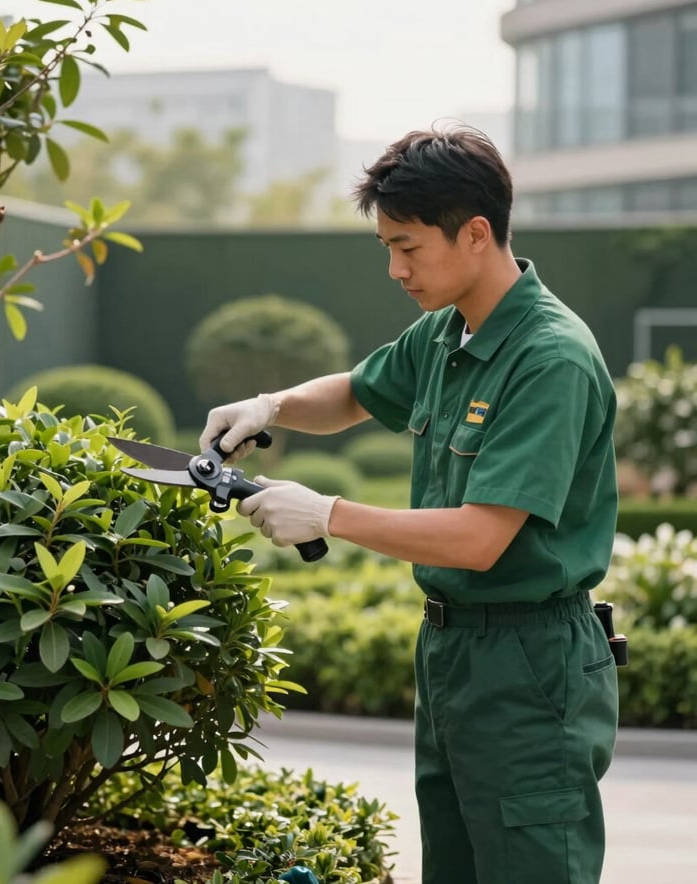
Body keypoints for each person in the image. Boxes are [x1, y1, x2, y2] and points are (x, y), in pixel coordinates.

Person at [198, 123, 619, 884]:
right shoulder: (446, 335)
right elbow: (355, 395)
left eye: (407, 246)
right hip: (454, 655)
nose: (395, 268)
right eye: (387, 247)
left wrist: (327, 515)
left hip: (529, 666)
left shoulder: (549, 358)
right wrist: (270, 404)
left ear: (476, 234)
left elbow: (480, 539)